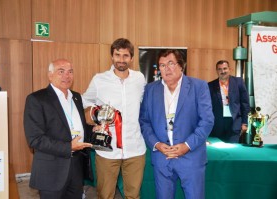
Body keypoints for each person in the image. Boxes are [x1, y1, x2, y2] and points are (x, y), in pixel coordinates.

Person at [139, 49, 214, 199]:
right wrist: (157, 144)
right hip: (162, 157)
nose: (166, 69)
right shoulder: (150, 90)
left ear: (181, 65)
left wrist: (187, 145)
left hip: (191, 157)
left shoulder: (199, 87)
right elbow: (144, 122)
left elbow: (207, 121)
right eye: (162, 65)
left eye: (171, 63)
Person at [82, 38, 146, 199]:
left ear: (131, 58)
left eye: (125, 55)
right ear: (112, 56)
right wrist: (95, 119)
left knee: (133, 195)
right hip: (107, 150)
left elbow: (146, 105)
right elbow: (84, 102)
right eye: (117, 55)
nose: (121, 59)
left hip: (135, 148)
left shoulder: (139, 79)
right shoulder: (99, 79)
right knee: (105, 195)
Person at [23, 59, 93, 199]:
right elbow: (35, 139)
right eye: (61, 72)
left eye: (70, 72)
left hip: (76, 167)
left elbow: (78, 127)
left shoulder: (77, 97)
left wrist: (95, 129)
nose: (66, 76)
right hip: (51, 170)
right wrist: (68, 147)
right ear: (50, 75)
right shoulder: (36, 99)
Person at [208, 60, 250, 143]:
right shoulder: (210, 85)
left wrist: (245, 123)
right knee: (217, 152)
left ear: (229, 69)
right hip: (217, 125)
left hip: (234, 124)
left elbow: (245, 104)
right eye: (219, 69)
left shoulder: (239, 82)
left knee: (233, 150)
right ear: (217, 71)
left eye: (225, 68)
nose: (222, 71)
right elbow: (208, 107)